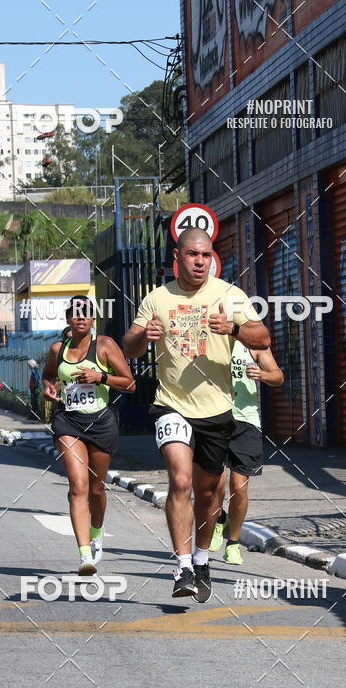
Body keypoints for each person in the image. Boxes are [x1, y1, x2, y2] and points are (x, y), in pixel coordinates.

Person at [123, 227, 271, 602]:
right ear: (178, 256)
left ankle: (203, 559)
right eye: (192, 254)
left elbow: (263, 338)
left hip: (218, 410)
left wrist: (234, 328)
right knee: (181, 480)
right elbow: (131, 345)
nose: (199, 261)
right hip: (171, 403)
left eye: (205, 255)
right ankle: (183, 566)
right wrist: (145, 337)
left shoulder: (229, 295)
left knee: (209, 493)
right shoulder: (157, 298)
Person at [43, 295, 136, 575]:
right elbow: (48, 375)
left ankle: (97, 531)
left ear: (93, 318)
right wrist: (47, 387)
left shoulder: (105, 345)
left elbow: (130, 384)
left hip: (100, 423)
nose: (81, 317)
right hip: (67, 421)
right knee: (78, 485)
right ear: (68, 318)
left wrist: (101, 378)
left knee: (96, 489)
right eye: (75, 313)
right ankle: (84, 554)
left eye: (86, 313)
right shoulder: (57, 348)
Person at [210, 342, 284, 564]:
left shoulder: (255, 345)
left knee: (239, 488)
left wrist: (262, 374)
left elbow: (278, 377)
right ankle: (219, 519)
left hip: (246, 421)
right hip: (214, 419)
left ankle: (233, 544)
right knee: (215, 483)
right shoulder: (211, 342)